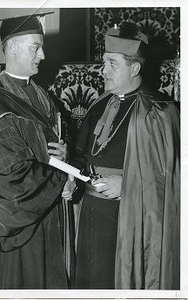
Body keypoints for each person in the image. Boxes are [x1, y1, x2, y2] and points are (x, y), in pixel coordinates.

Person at [0, 13, 75, 289]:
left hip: (47, 212)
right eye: (35, 46)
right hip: (16, 227)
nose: (43, 54)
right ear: (12, 45)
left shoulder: (42, 96)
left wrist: (66, 153)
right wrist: (60, 178)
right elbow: (8, 176)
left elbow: (55, 148)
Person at [71, 22, 180, 289]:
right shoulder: (99, 105)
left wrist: (128, 185)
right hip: (90, 214)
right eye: (104, 63)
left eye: (112, 64)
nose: (102, 70)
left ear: (134, 68)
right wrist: (70, 172)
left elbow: (172, 183)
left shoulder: (160, 111)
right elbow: (81, 155)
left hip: (129, 220)